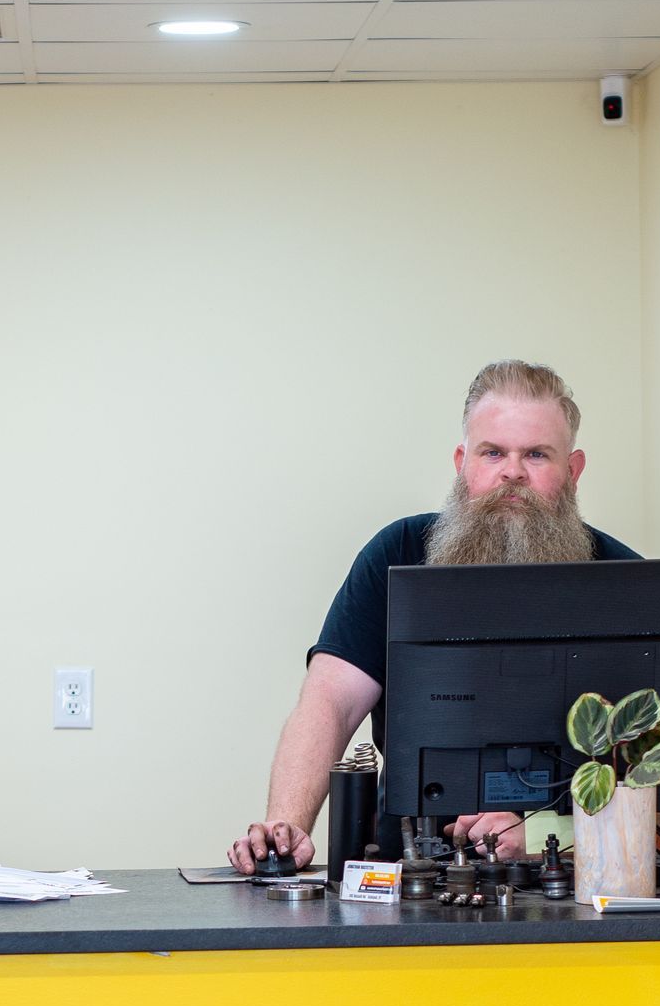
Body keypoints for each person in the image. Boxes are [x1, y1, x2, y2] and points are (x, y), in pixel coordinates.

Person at [231, 360, 638, 871]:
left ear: (574, 470)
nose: (512, 471)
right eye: (492, 453)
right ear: (462, 462)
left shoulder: (625, 580)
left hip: (576, 874)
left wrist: (539, 835)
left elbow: (652, 782)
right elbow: (329, 701)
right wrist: (287, 825)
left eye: (536, 454)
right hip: (405, 868)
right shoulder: (397, 554)